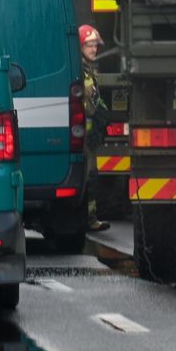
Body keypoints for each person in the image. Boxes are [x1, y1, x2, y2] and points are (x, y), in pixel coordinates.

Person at [79, 24, 111, 233]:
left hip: (89, 138)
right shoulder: (80, 70)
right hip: (81, 138)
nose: (94, 49)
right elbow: (87, 104)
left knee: (91, 177)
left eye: (95, 46)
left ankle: (90, 218)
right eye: (90, 45)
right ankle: (87, 219)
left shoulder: (89, 69)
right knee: (87, 178)